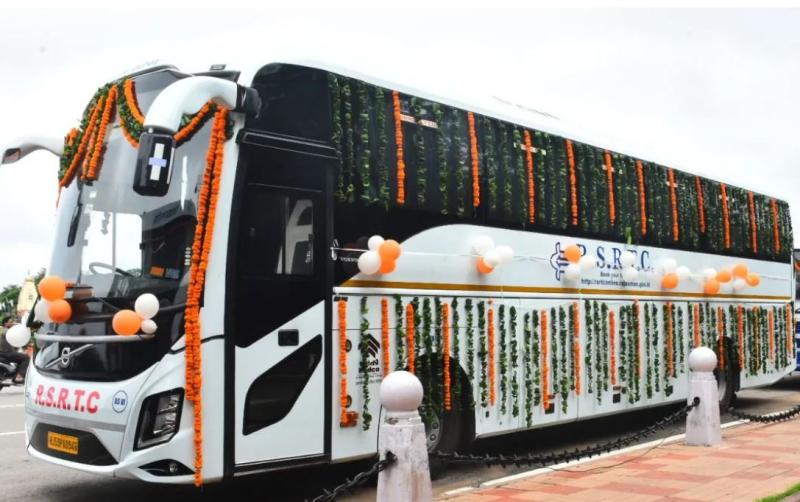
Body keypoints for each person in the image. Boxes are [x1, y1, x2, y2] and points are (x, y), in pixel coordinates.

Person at [0, 316, 29, 383]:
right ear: (6, 323)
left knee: (20, 356)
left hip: (4, 352)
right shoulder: (5, 330)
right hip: (5, 353)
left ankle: (14, 374)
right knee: (26, 358)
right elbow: (15, 336)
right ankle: (19, 377)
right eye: (11, 322)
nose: (13, 323)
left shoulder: (3, 330)